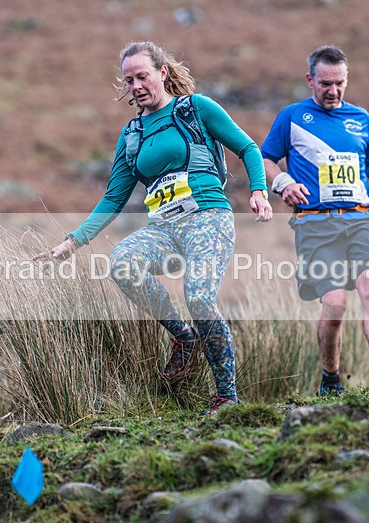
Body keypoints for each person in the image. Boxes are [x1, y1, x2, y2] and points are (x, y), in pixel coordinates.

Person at [35, 41, 272, 414]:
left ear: (162, 72)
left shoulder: (195, 108)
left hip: (207, 219)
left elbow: (248, 148)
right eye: (129, 80)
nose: (136, 86)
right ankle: (183, 337)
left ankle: (226, 395)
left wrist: (258, 190)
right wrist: (72, 242)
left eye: (142, 76)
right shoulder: (131, 136)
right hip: (163, 229)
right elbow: (113, 199)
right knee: (122, 263)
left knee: (198, 297)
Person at [260, 45, 369, 395]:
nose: (333, 90)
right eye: (325, 83)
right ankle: (330, 377)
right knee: (336, 302)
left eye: (340, 83)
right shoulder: (292, 117)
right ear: (310, 79)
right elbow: (264, 160)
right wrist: (283, 183)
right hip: (315, 223)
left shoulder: (360, 118)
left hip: (359, 218)